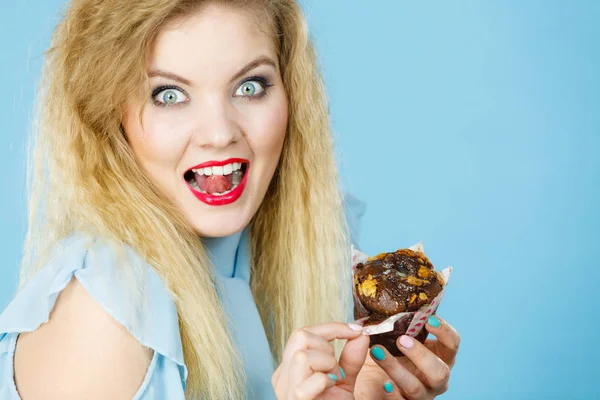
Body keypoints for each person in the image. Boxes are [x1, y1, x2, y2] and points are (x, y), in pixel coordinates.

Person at [0, 0, 460, 399]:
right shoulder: (105, 316)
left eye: (249, 87)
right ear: (108, 114)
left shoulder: (299, 254)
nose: (220, 134)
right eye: (168, 94)